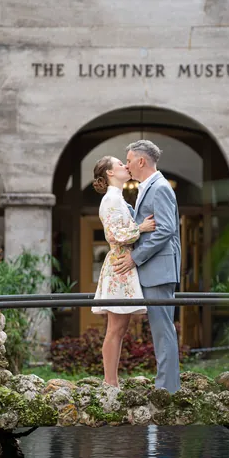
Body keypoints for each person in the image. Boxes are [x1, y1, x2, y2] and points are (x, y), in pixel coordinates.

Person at [113, 140, 182, 393]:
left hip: (158, 270)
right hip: (153, 269)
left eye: (129, 159)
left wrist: (135, 257)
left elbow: (165, 229)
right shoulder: (146, 187)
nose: (127, 164)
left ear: (141, 161)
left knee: (163, 329)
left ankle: (168, 389)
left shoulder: (160, 187)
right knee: (160, 328)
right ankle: (167, 385)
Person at [91, 155, 156, 387]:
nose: (125, 166)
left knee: (120, 328)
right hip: (119, 264)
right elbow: (114, 234)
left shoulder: (116, 198)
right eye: (120, 164)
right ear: (110, 173)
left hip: (123, 263)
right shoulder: (111, 199)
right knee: (116, 328)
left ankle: (112, 381)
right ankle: (110, 382)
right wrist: (142, 227)